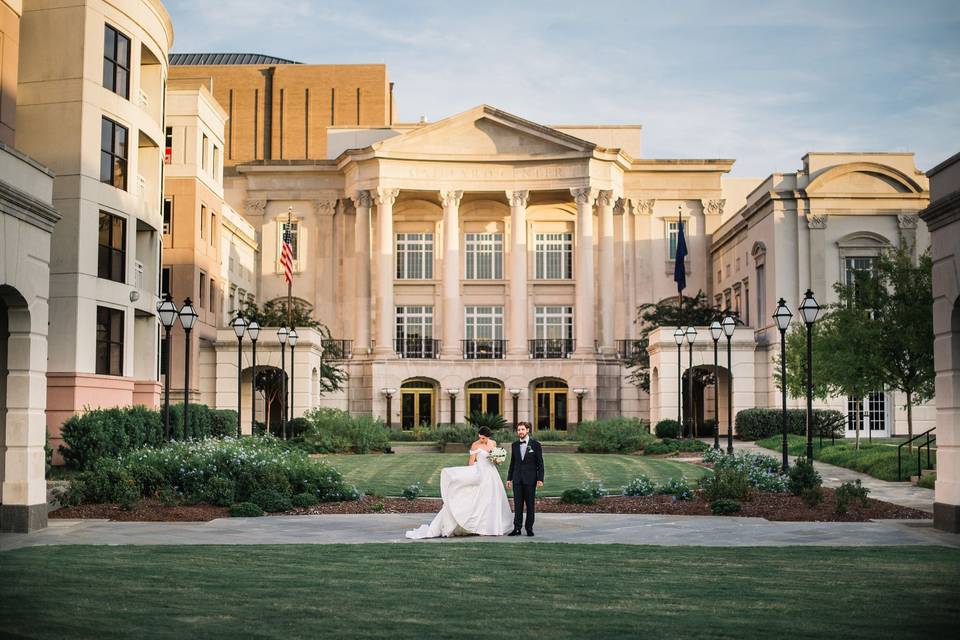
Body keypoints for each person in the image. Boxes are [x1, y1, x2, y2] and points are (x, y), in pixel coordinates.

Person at [405, 426, 514, 539]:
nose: (482, 440)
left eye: (484, 438)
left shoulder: (493, 443)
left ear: (488, 437)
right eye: (480, 438)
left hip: (492, 475)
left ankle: (490, 526)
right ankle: (476, 526)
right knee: (478, 499)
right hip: (480, 473)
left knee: (491, 500)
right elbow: (471, 462)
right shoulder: (475, 445)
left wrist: (497, 460)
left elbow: (495, 461)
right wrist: (472, 475)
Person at [506, 421, 544, 537]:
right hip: (517, 479)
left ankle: (529, 528)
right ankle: (517, 528)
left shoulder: (536, 445)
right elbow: (513, 463)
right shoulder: (515, 445)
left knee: (530, 505)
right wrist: (509, 478)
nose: (520, 432)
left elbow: (540, 464)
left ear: (527, 430)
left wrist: (540, 479)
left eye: (522, 429)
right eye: (518, 430)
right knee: (518, 505)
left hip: (530, 480)